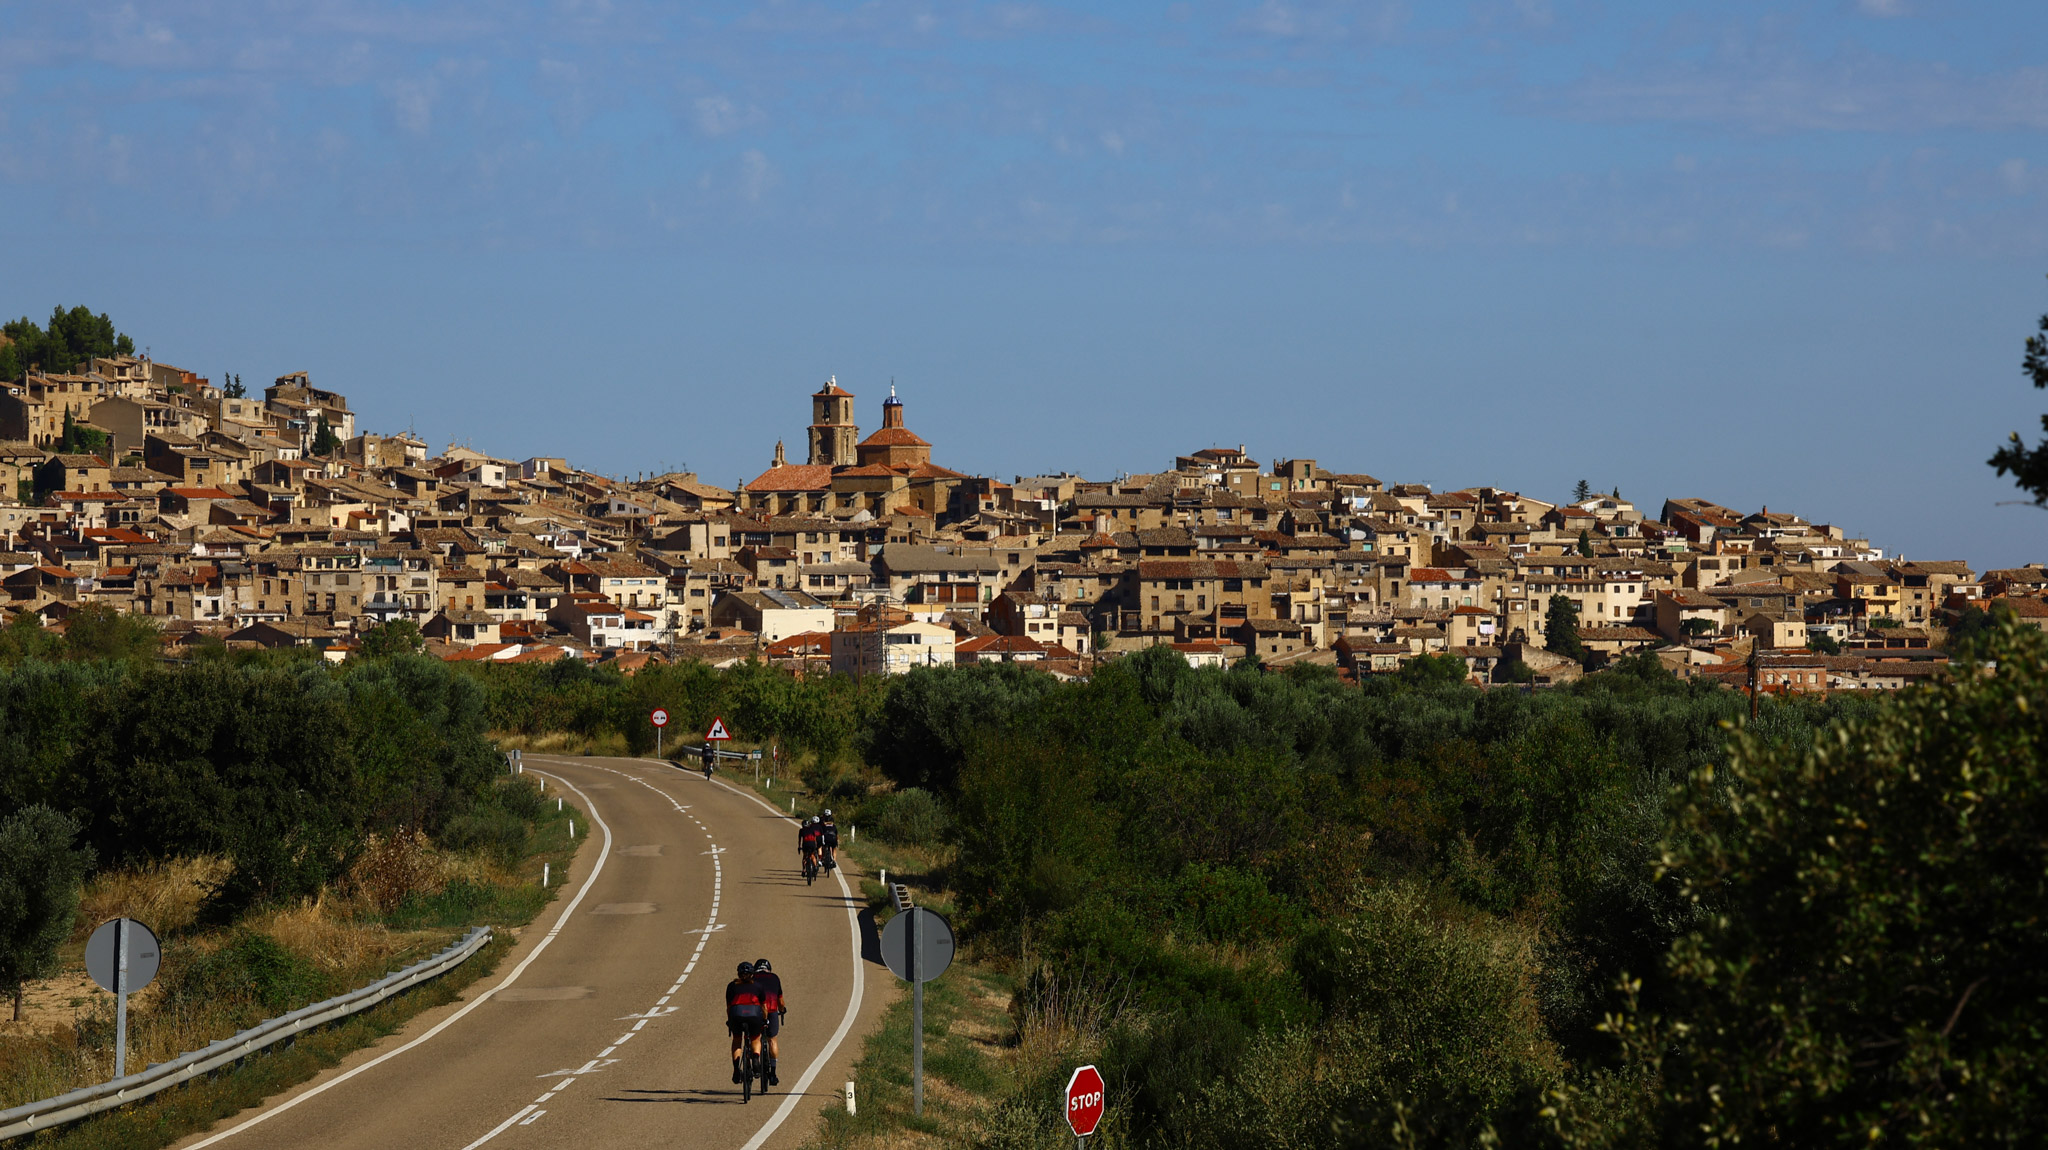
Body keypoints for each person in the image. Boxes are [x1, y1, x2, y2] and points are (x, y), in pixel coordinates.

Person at [725, 961, 770, 1084]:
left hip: (736, 1013)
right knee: (755, 1038)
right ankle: (755, 1058)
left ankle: (736, 1069)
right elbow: (764, 1007)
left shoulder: (731, 986)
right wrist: (765, 1019)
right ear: (752, 974)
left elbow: (728, 1007)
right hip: (754, 1014)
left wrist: (730, 1020)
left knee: (737, 1040)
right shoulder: (758, 986)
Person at [751, 957, 786, 1085]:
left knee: (755, 1037)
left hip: (755, 1011)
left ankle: (754, 1058)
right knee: (772, 1039)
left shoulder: (752, 977)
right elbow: (780, 1001)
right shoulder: (774, 978)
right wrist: (782, 1010)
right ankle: (773, 1073)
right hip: (771, 1011)